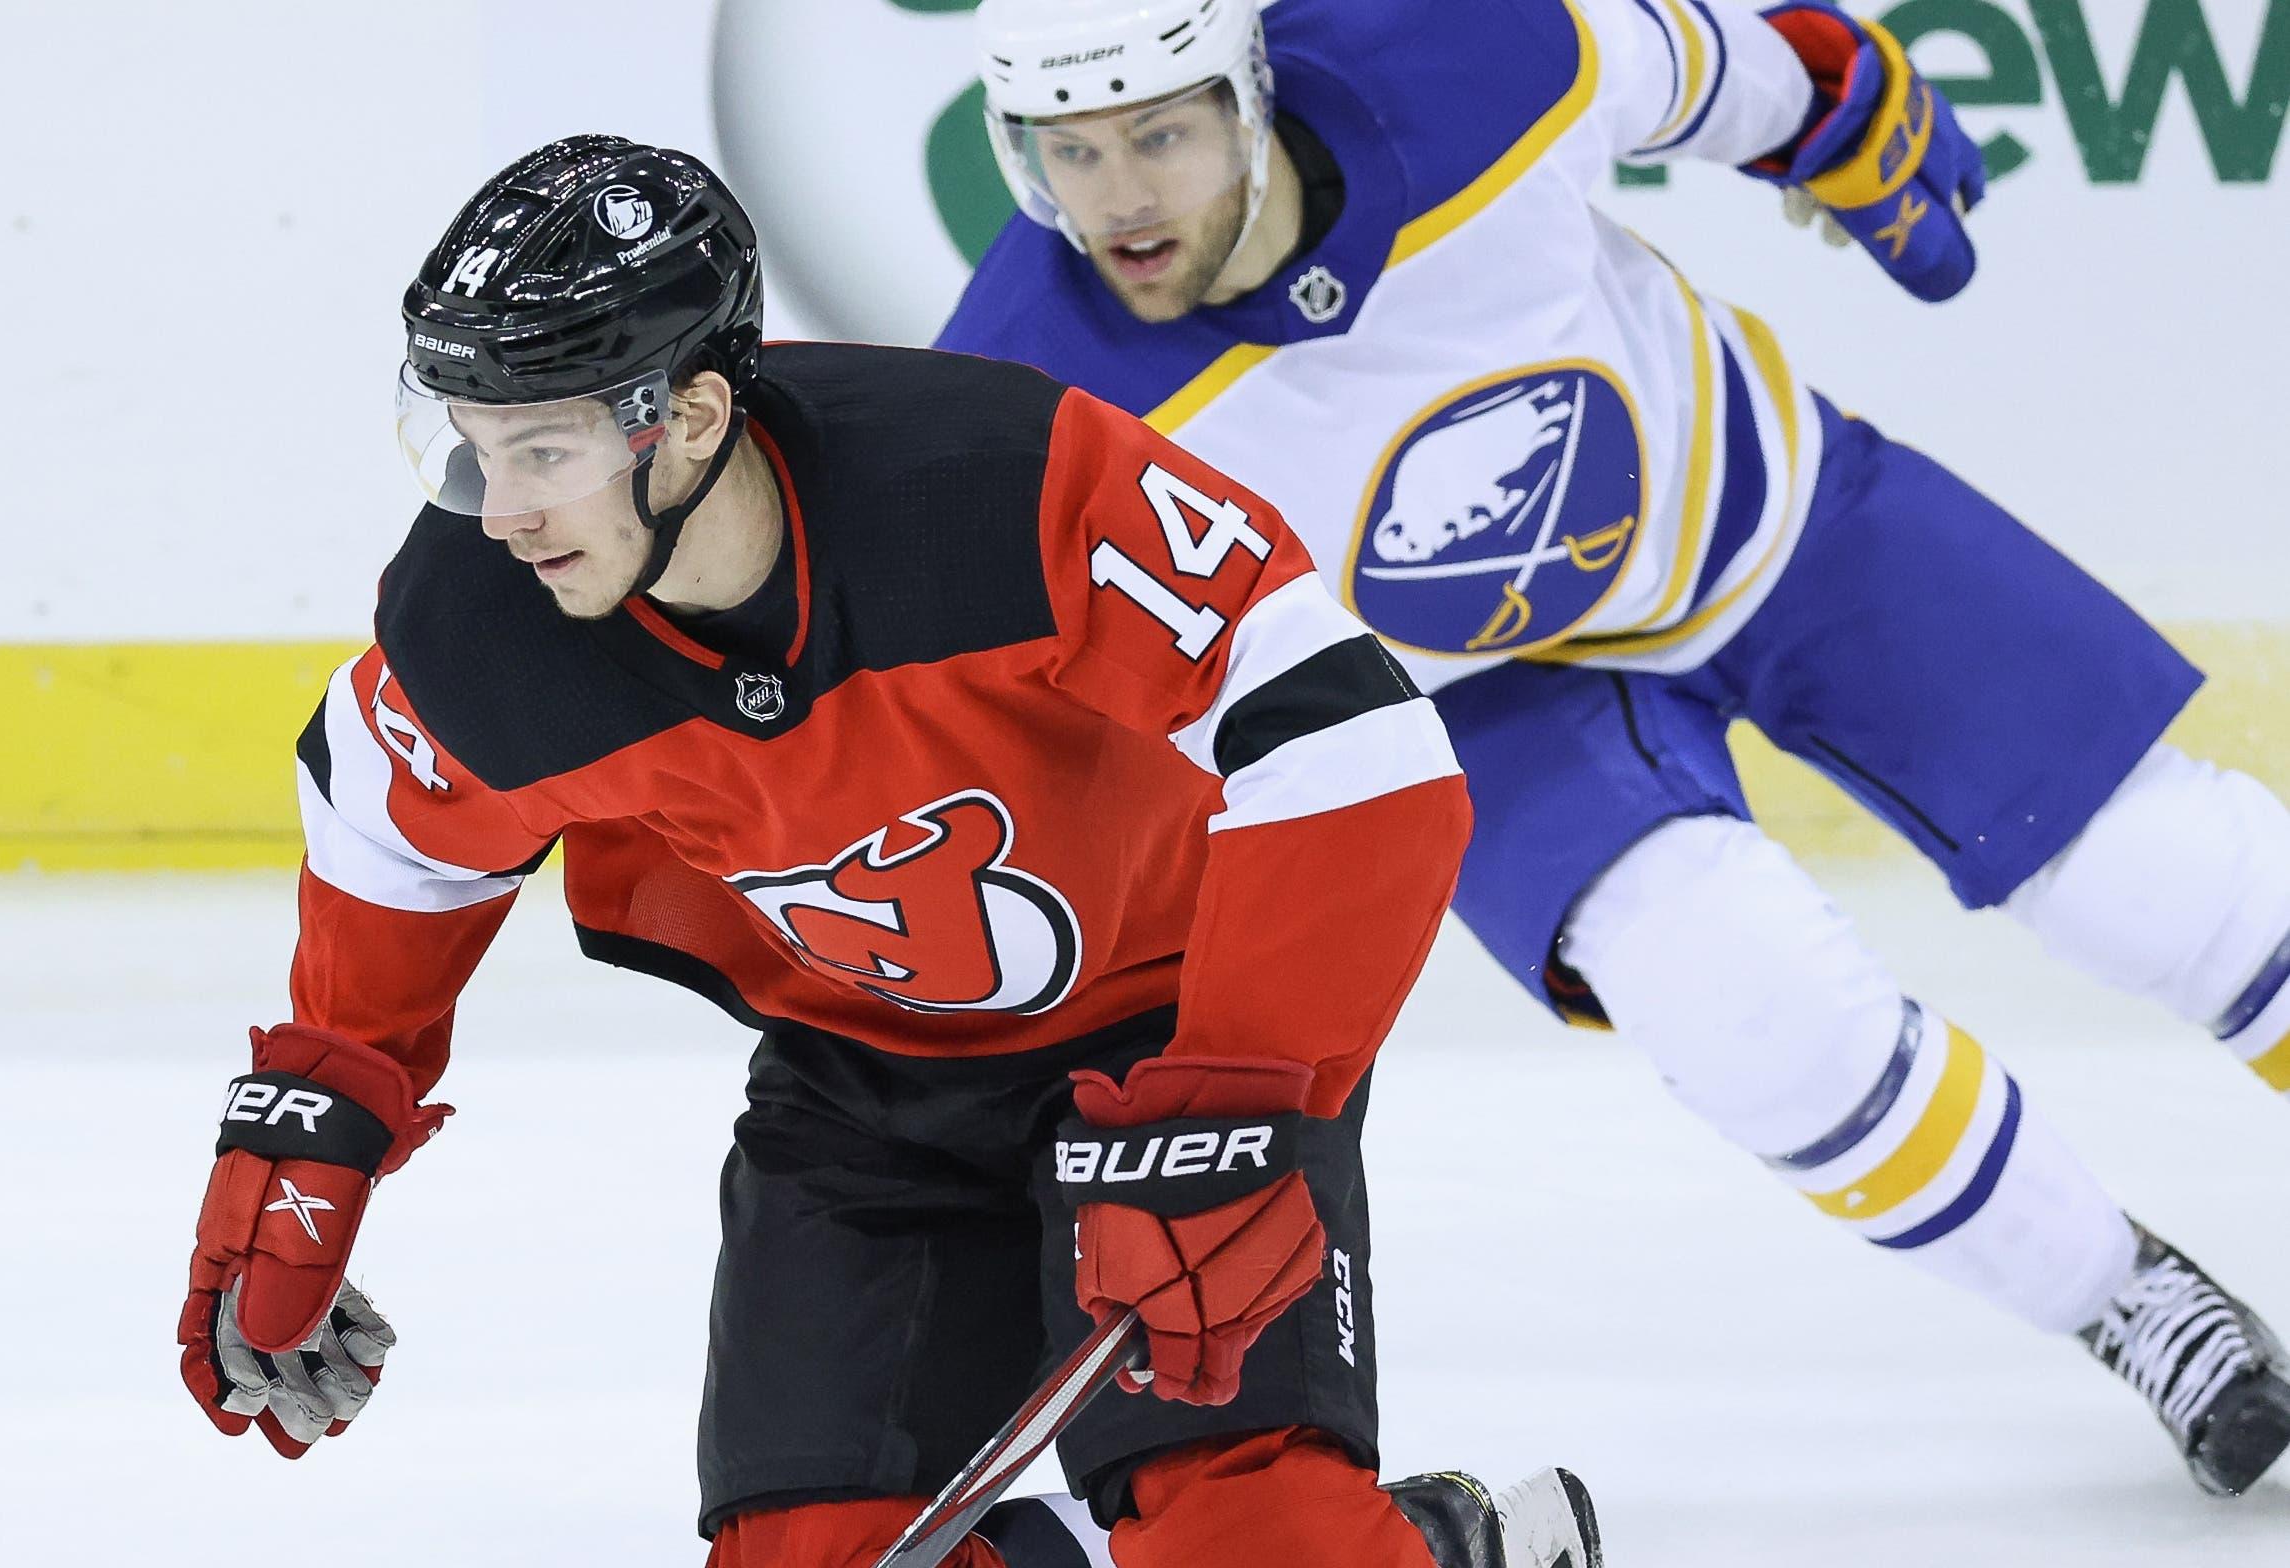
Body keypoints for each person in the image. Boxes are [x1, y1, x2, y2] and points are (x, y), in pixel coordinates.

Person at [169, 134, 1599, 1568]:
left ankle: (1438, 1549)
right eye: (475, 450)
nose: (505, 511)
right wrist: (320, 1123)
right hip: (858, 1098)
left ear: (691, 415)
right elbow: (392, 834)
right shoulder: (481, 621)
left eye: (544, 451)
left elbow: (1352, 747)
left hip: (1162, 1052)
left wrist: (1239, 1097)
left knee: (1246, 1538)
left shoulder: (997, 480)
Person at [935, 0, 2290, 1498]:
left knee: (2158, 878)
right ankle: (2120, 1296)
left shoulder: (1463, 55)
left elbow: (1727, 69)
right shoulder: (1031, 393)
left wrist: (1834, 110)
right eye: (1069, 149)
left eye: (1158, 133)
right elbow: (987, 720)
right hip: (1479, 710)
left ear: (1249, 99)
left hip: (1770, 524)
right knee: (1746, 1014)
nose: (1117, 197)